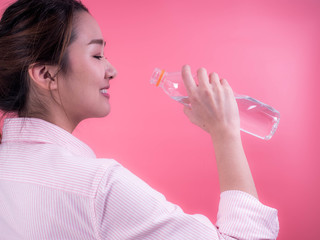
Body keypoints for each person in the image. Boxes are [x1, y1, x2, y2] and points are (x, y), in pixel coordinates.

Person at [0, 0, 279, 239]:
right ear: (46, 75)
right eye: (97, 55)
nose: (112, 70)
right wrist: (225, 133)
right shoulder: (98, 186)